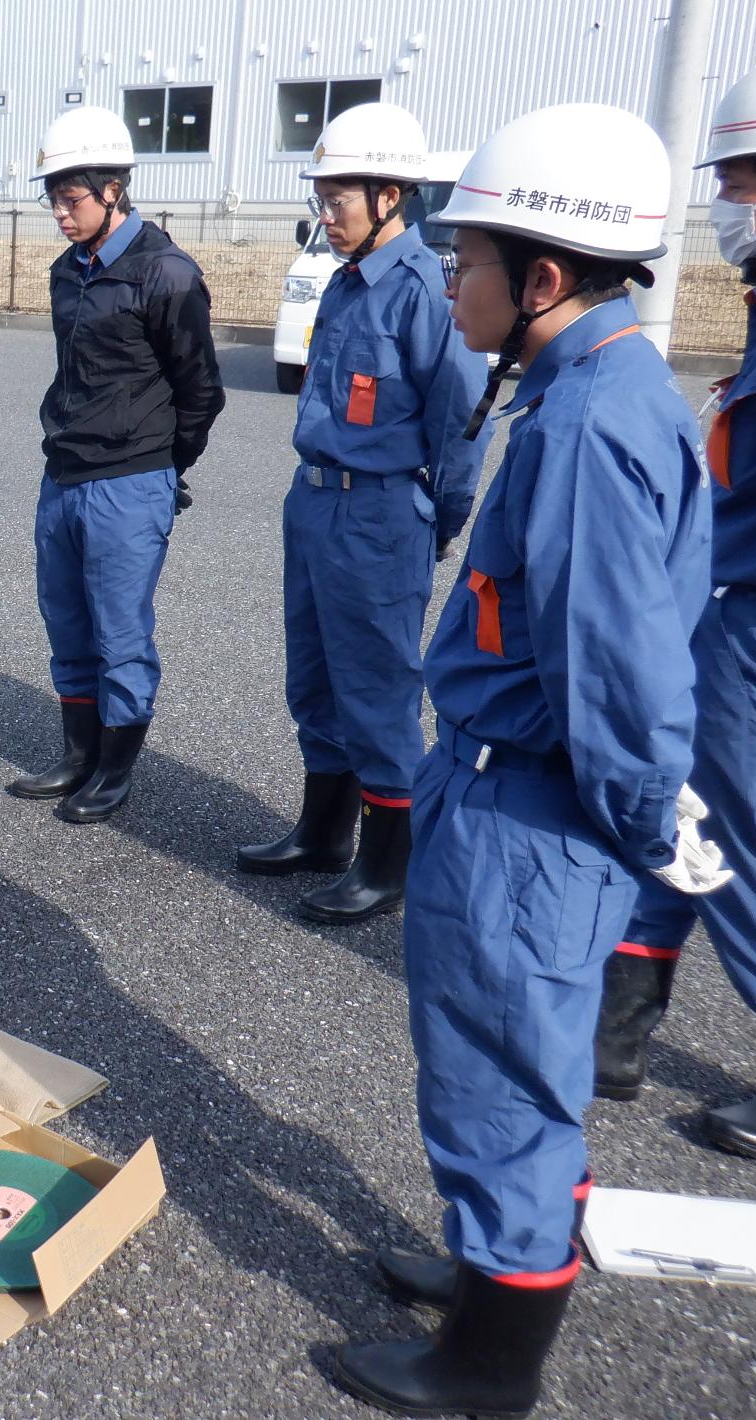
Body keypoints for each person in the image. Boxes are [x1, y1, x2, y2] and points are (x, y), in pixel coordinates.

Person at [336, 105, 729, 1418]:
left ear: (543, 278)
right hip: (526, 791)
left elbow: (617, 677)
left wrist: (634, 816)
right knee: (506, 1061)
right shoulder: (604, 384)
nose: (453, 282)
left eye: (470, 259)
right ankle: (485, 1272)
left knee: (501, 1073)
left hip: (531, 812)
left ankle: (489, 1364)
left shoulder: (582, 429)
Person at [236, 104, 489, 923]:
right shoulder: (346, 285)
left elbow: (457, 427)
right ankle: (322, 833)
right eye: (322, 198)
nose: (326, 215)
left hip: (380, 514)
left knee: (376, 690)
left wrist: (436, 523)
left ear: (389, 196)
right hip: (314, 502)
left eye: (338, 199)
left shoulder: (422, 292)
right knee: (313, 679)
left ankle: (389, 866)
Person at [594, 57, 756, 1161]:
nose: (727, 204)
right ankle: (617, 1026)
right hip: (733, 598)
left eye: (744, 178)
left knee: (741, 835)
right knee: (678, 804)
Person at [6, 106, 222, 821]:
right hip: (62, 473)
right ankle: (78, 755)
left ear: (114, 192)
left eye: (71, 201)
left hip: (129, 480)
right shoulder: (68, 273)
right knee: (65, 620)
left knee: (119, 630)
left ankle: (116, 769)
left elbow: (201, 391)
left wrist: (161, 466)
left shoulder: (166, 273)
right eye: (54, 201)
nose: (60, 216)